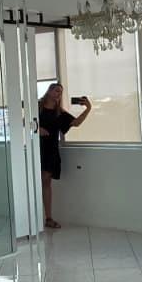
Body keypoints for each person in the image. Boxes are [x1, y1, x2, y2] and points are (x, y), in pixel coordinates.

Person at [37, 82, 90, 229]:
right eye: (55, 90)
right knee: (38, 182)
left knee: (46, 181)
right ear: (49, 91)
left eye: (60, 92)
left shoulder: (59, 113)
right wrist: (37, 128)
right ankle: (33, 219)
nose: (58, 94)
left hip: (51, 150)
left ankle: (48, 218)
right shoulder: (37, 107)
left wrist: (88, 109)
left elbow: (76, 123)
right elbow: (23, 121)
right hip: (36, 148)